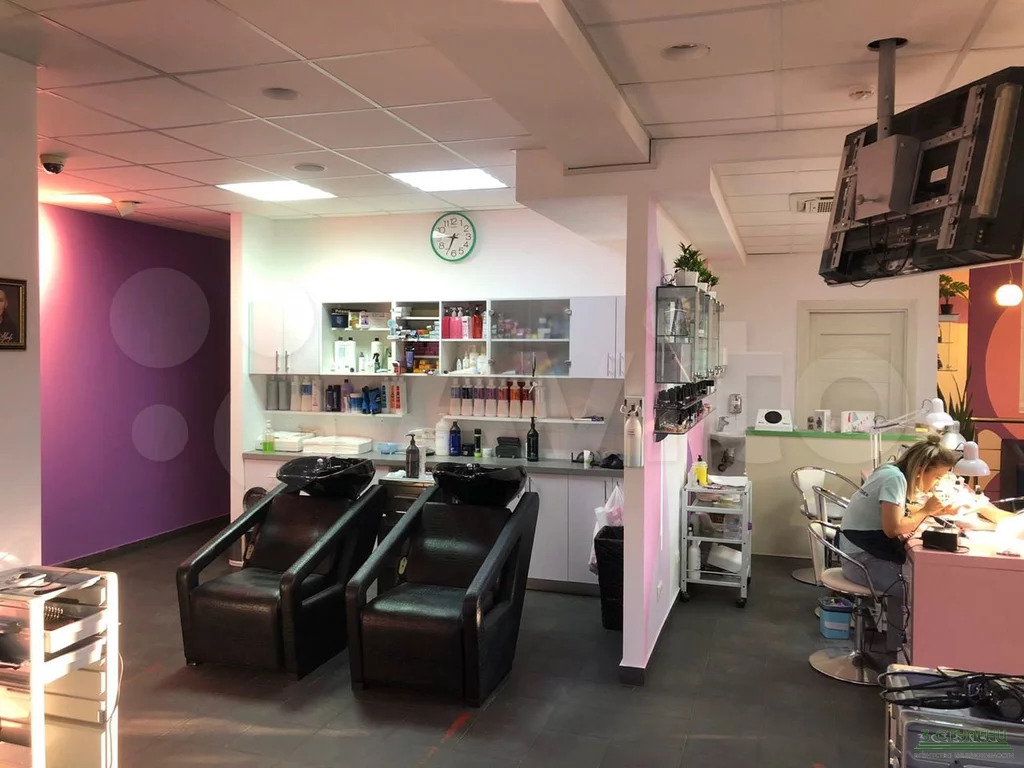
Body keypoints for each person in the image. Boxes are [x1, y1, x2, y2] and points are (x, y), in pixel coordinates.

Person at [839, 435, 958, 651]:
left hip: (853, 552)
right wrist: (926, 510)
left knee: (918, 581)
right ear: (921, 470)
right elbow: (893, 528)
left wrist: (932, 510)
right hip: (859, 562)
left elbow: (896, 510)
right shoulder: (894, 479)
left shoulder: (890, 471)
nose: (937, 483)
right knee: (921, 588)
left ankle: (897, 647)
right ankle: (906, 651)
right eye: (937, 477)